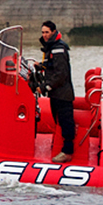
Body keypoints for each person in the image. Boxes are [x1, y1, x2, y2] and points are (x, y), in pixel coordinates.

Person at [38, 20, 75, 163]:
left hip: (62, 93)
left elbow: (60, 74)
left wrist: (45, 87)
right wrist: (41, 66)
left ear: (54, 32)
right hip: (57, 93)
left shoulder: (58, 48)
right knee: (59, 120)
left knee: (66, 122)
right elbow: (53, 65)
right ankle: (61, 147)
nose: (44, 35)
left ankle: (67, 152)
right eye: (42, 32)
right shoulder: (52, 47)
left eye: (47, 32)